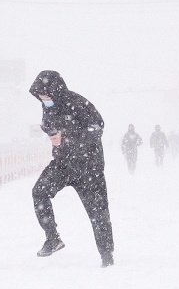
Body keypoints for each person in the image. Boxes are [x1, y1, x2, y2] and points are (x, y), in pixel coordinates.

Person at [29, 70, 115, 267]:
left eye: (46, 95)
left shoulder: (77, 103)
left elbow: (97, 127)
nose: (44, 100)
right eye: (40, 97)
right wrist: (50, 131)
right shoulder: (48, 105)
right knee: (39, 192)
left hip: (88, 168)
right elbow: (48, 125)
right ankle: (53, 238)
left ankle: (107, 257)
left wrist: (67, 137)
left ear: (54, 90)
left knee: (98, 214)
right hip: (63, 165)